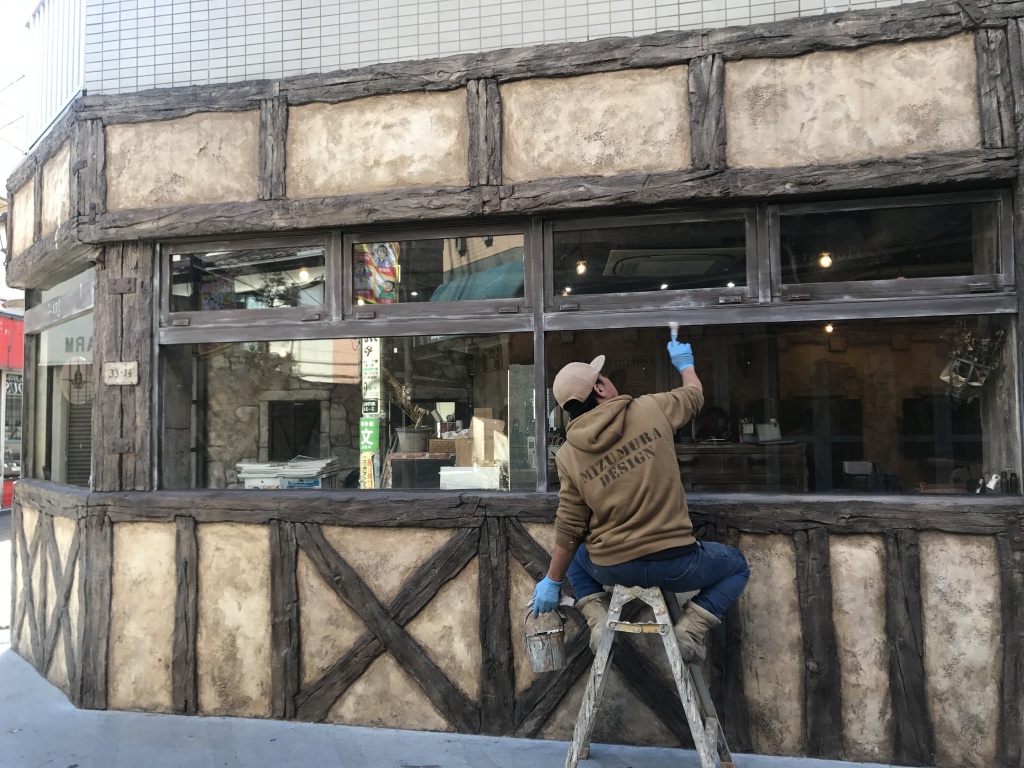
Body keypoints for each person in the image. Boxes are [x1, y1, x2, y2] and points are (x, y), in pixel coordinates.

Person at [531, 339, 750, 663]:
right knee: (737, 566)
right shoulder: (650, 409)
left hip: (612, 569)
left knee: (574, 557)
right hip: (677, 564)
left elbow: (570, 526)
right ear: (600, 388)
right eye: (603, 376)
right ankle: (691, 630)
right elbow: (694, 395)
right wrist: (685, 364)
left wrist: (552, 581)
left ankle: (597, 620)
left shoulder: (567, 455)